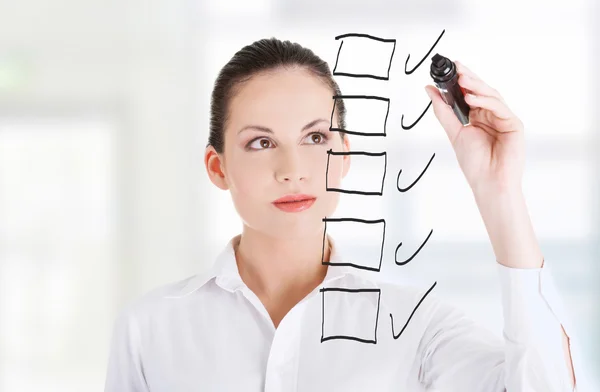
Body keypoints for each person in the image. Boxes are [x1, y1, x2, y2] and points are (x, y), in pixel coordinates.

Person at [104, 37, 587, 391]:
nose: (293, 170)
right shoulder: (151, 328)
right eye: (261, 142)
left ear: (345, 154)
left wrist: (498, 192)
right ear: (218, 166)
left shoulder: (413, 323)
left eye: (316, 138)